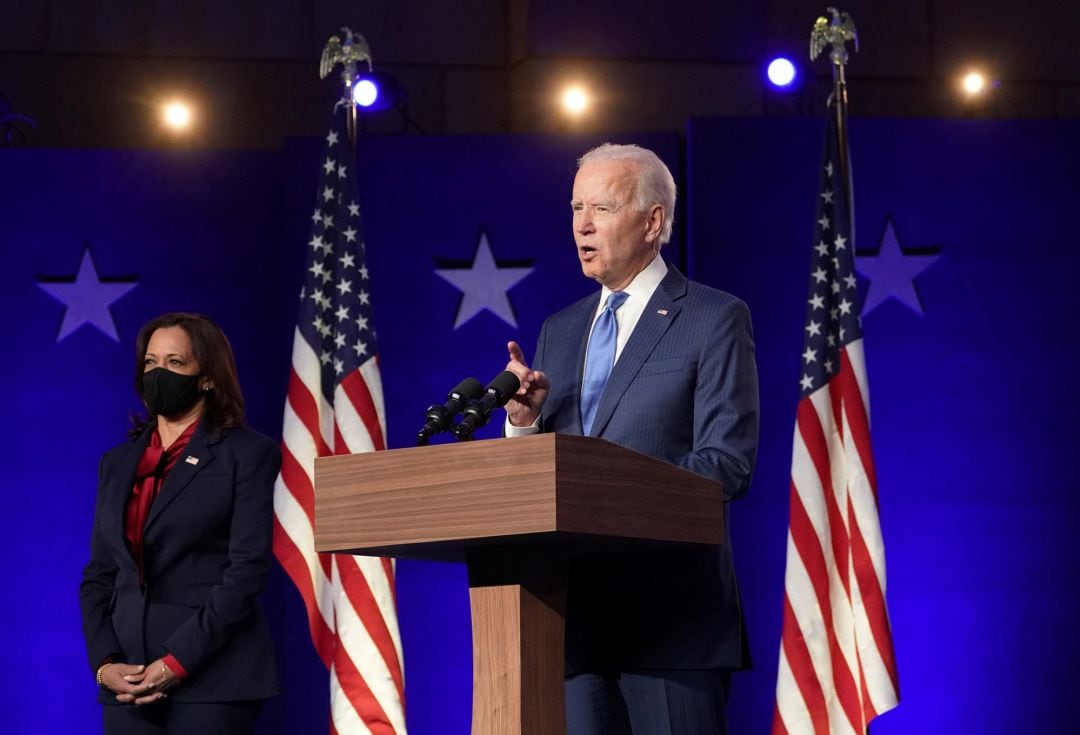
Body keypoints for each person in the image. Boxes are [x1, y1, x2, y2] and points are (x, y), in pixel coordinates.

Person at [504, 144, 759, 734]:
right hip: (571, 627)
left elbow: (727, 464)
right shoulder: (559, 330)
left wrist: (613, 489)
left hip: (671, 626)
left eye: (602, 207)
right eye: (575, 207)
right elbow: (541, 482)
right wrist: (524, 424)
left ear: (653, 222)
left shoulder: (713, 317)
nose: (582, 225)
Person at [79, 313, 281, 735]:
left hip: (213, 678)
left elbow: (246, 572)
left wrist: (175, 663)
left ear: (206, 377)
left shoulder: (247, 454)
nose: (158, 373)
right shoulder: (117, 463)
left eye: (174, 363)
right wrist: (105, 664)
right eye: (151, 363)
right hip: (127, 682)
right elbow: (100, 575)